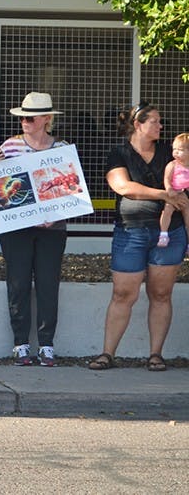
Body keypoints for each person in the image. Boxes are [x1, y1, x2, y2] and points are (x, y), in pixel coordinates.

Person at [88, 101, 187, 372]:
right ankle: (107, 353)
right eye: (154, 121)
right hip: (131, 230)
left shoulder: (170, 151)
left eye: (160, 121)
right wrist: (164, 194)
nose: (160, 125)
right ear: (137, 124)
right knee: (123, 293)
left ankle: (156, 354)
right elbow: (122, 186)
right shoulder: (119, 153)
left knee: (161, 293)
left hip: (169, 231)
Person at [0, 92, 69, 367]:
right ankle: (20, 344)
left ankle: (46, 345)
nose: (24, 122)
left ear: (46, 119)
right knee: (18, 283)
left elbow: (68, 191)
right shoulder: (10, 146)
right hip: (17, 228)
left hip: (52, 229)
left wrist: (51, 216)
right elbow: (0, 189)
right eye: (21, 117)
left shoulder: (62, 148)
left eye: (30, 118)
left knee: (48, 284)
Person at [157, 132, 189, 252]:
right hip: (174, 194)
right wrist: (169, 189)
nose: (175, 152)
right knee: (167, 211)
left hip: (186, 197)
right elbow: (167, 179)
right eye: (174, 149)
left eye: (180, 150)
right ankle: (163, 234)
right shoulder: (172, 165)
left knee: (188, 217)